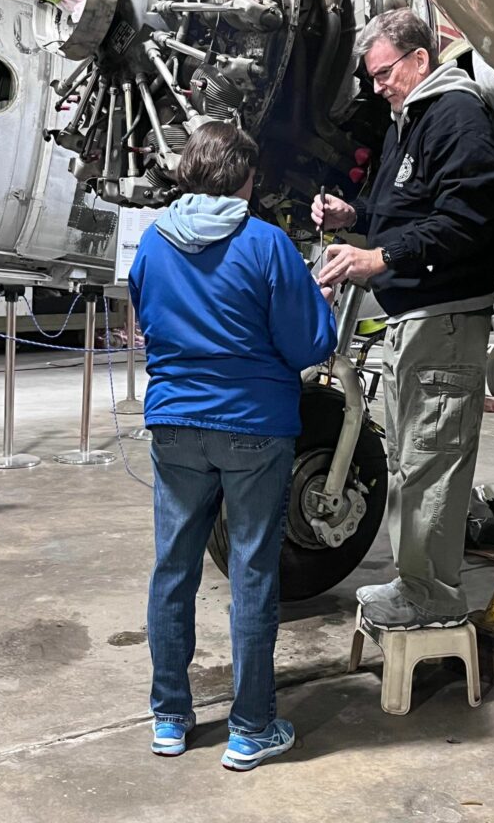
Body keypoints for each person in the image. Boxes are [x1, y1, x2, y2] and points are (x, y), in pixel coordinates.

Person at [129, 122, 336, 770]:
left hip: (175, 426)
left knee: (173, 569)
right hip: (254, 427)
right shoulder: (266, 244)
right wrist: (317, 303)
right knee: (251, 573)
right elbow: (309, 346)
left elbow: (147, 318)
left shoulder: (151, 244)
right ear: (245, 179)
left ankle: (169, 716)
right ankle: (250, 729)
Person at [313, 9, 494, 630]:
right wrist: (355, 216)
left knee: (432, 458)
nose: (377, 87)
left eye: (383, 73)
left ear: (419, 60)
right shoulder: (414, 119)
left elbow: (471, 221)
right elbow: (400, 208)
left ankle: (432, 596)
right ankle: (414, 583)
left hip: (445, 318)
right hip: (417, 318)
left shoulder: (455, 113)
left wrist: (379, 255)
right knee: (411, 457)